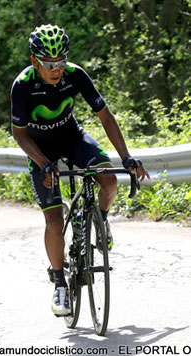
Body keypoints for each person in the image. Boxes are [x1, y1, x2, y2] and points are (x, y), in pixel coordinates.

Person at [11, 24, 149, 317]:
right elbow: (19, 134)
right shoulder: (23, 84)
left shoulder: (75, 74)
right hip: (40, 149)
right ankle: (59, 283)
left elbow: (105, 116)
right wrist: (43, 163)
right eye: (49, 64)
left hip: (72, 137)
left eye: (60, 61)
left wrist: (126, 157)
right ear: (35, 61)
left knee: (109, 182)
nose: (57, 69)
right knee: (53, 217)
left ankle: (101, 219)